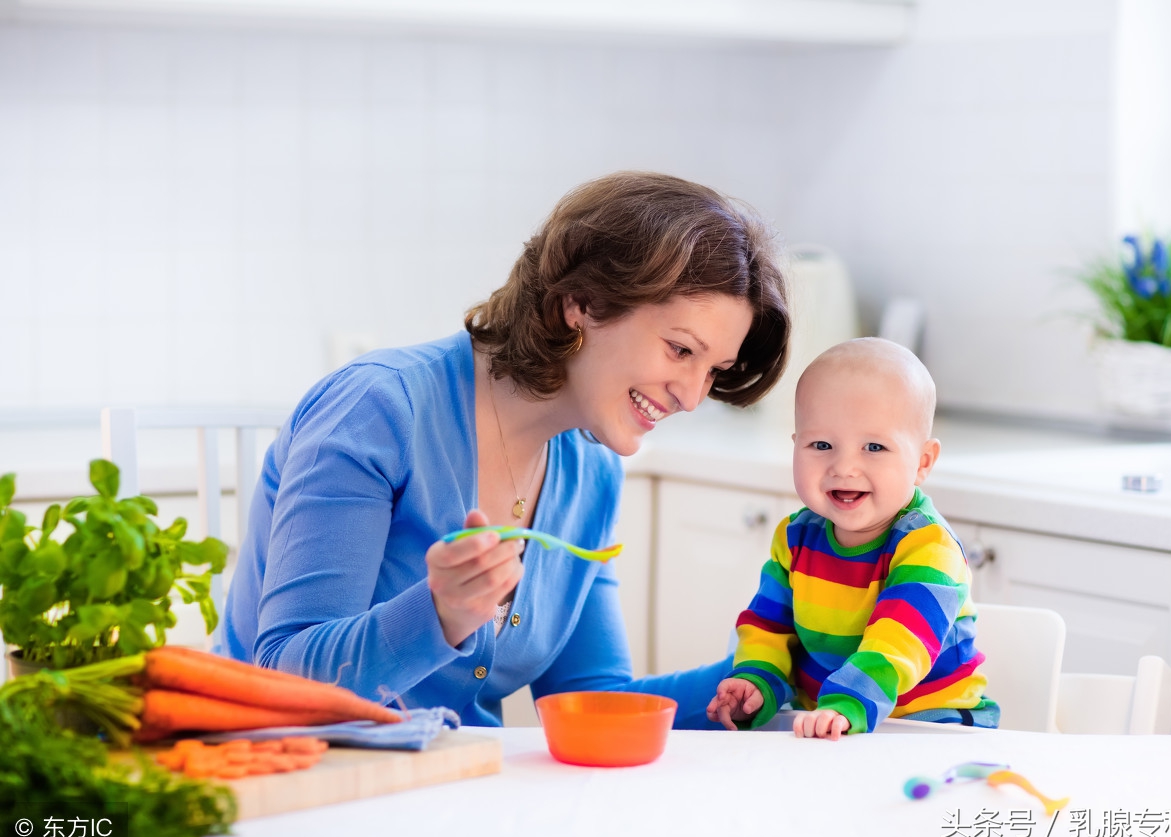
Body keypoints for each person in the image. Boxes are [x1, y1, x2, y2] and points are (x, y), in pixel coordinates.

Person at [217, 171, 790, 729]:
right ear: (583, 303)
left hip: (449, 787)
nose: (692, 397)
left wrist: (779, 670)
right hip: (277, 774)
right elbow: (283, 675)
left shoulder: (592, 468)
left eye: (713, 370)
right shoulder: (379, 409)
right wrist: (440, 614)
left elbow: (592, 698)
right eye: (679, 349)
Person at [705, 338, 999, 738]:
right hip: (827, 726)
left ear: (922, 462)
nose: (844, 467)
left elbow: (897, 644)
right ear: (796, 446)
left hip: (930, 728)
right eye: (821, 445)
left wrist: (847, 704)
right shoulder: (794, 537)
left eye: (874, 447)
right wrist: (757, 681)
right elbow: (769, 627)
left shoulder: (929, 548)